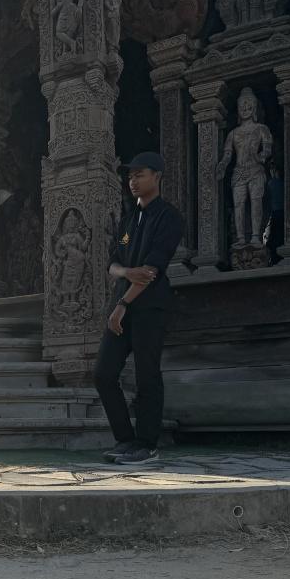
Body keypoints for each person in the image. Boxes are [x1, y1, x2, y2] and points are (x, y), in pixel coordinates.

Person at [93, 151, 185, 466]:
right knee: (104, 373)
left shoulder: (169, 218)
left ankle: (146, 443)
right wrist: (125, 273)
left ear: (157, 176)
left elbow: (150, 272)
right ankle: (125, 439)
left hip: (149, 307)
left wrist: (122, 302)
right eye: (130, 176)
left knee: (148, 375)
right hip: (123, 304)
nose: (133, 181)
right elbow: (113, 263)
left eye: (140, 174)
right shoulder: (130, 221)